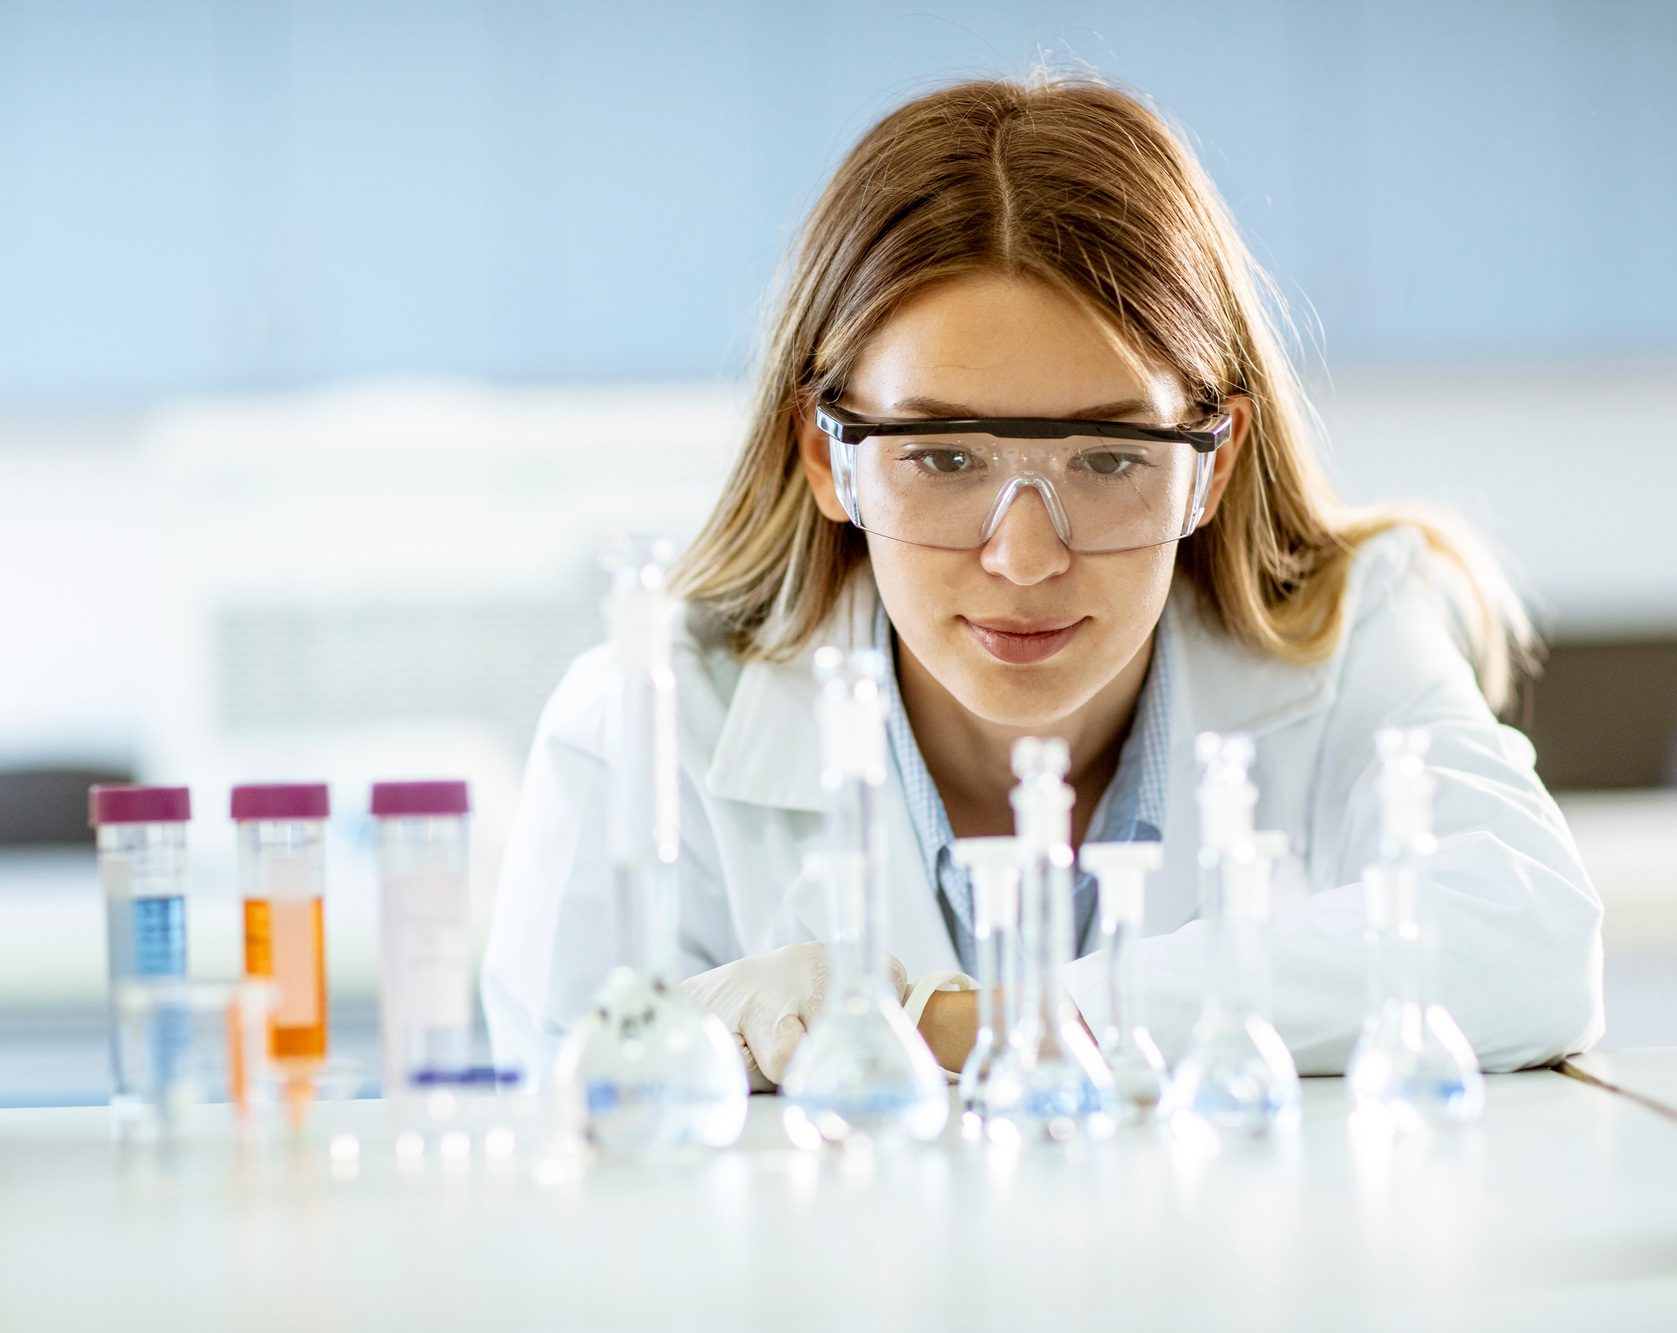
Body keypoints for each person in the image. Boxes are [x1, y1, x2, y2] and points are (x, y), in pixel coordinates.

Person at [482, 73, 1603, 1089]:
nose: (1023, 558)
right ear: (830, 459)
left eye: (1110, 459)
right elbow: (570, 1159)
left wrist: (990, 1025)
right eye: (943, 459)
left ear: (1212, 465)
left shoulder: (1345, 635)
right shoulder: (650, 725)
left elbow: (1537, 938)